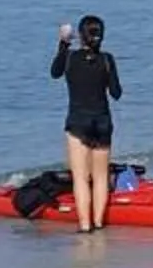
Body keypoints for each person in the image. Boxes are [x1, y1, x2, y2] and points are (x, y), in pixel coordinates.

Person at [51, 16, 123, 233]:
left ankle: (85, 226)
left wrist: (63, 43)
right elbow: (116, 93)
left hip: (77, 123)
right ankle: (99, 223)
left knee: (81, 179)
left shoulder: (71, 59)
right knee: (101, 177)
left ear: (80, 36)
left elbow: (55, 73)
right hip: (102, 122)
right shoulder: (107, 60)